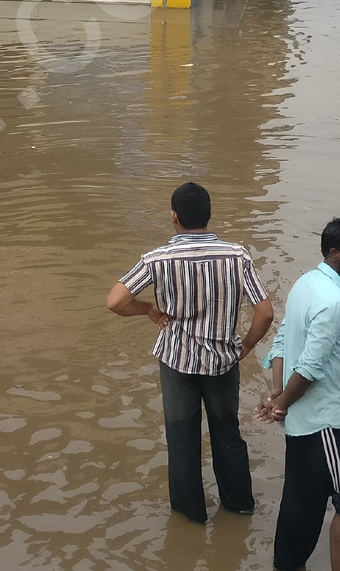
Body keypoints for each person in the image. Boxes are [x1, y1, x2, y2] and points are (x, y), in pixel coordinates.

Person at [106, 182, 274, 524]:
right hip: (223, 363)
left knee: (182, 442)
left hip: (177, 363)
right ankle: (239, 507)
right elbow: (266, 312)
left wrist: (148, 310)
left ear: (174, 218)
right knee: (228, 436)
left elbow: (115, 301)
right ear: (209, 216)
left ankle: (190, 518)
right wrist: (246, 345)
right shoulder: (237, 256)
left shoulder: (157, 259)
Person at [256, 218, 340, 571]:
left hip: (300, 422)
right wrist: (280, 403)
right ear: (334, 254)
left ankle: (287, 564)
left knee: (301, 499)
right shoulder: (334, 301)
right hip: (327, 422)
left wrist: (276, 393)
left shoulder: (305, 284)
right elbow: (309, 367)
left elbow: (281, 343)